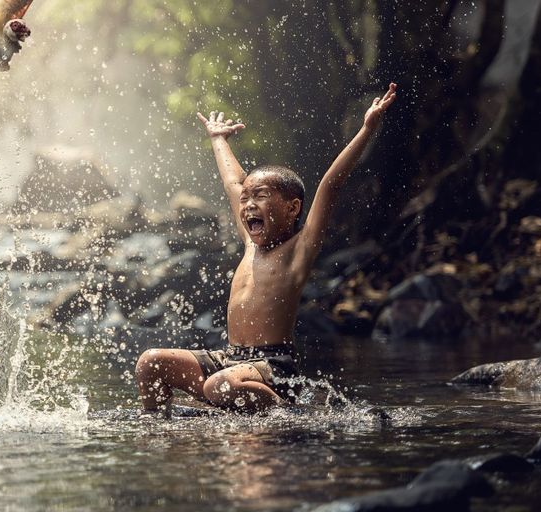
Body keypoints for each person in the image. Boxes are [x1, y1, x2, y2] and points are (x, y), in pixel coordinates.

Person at [135, 83, 399, 416]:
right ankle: (160, 430)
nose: (247, 205)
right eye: (245, 200)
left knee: (218, 385)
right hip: (232, 359)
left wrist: (366, 129)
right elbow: (234, 183)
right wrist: (218, 139)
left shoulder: (299, 249)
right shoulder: (250, 243)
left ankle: (287, 417)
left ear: (292, 208)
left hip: (273, 365)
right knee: (151, 363)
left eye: (259, 197)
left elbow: (330, 183)